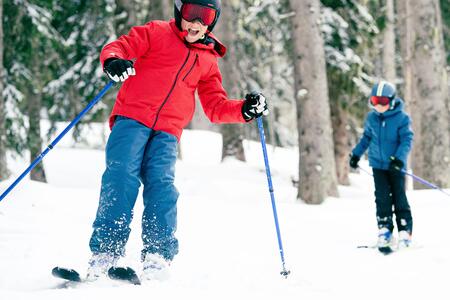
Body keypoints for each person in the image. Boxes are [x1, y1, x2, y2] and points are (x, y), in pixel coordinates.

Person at [87, 0, 268, 281]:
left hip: (168, 133)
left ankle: (157, 256)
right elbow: (120, 46)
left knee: (162, 187)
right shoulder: (156, 32)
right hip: (132, 119)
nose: (196, 23)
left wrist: (244, 109)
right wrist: (113, 61)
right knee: (121, 177)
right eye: (190, 14)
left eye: (205, 16)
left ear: (213, 21)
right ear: (178, 11)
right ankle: (105, 253)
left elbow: (215, 107)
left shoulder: (208, 60)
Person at [349, 81, 414, 250]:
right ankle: (384, 229)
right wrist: (356, 154)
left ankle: (404, 230)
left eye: (382, 102)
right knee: (382, 198)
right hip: (378, 165)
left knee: (399, 197)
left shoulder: (402, 118)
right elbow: (366, 138)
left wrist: (399, 159)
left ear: (391, 101)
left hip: (395, 166)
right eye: (374, 101)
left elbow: (407, 140)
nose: (378, 105)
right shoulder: (372, 118)